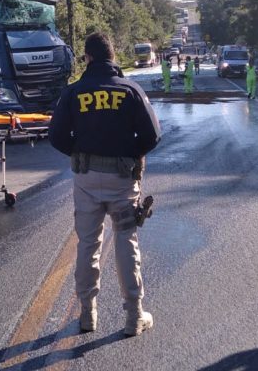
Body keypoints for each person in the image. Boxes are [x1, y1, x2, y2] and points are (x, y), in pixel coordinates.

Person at [49, 33, 161, 337]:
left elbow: (56, 136)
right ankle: (134, 316)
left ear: (88, 58)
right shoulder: (131, 90)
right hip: (123, 181)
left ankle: (88, 314)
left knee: (88, 244)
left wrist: (80, 150)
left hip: (86, 179)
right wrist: (130, 151)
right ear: (113, 58)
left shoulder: (74, 92)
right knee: (126, 240)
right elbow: (152, 135)